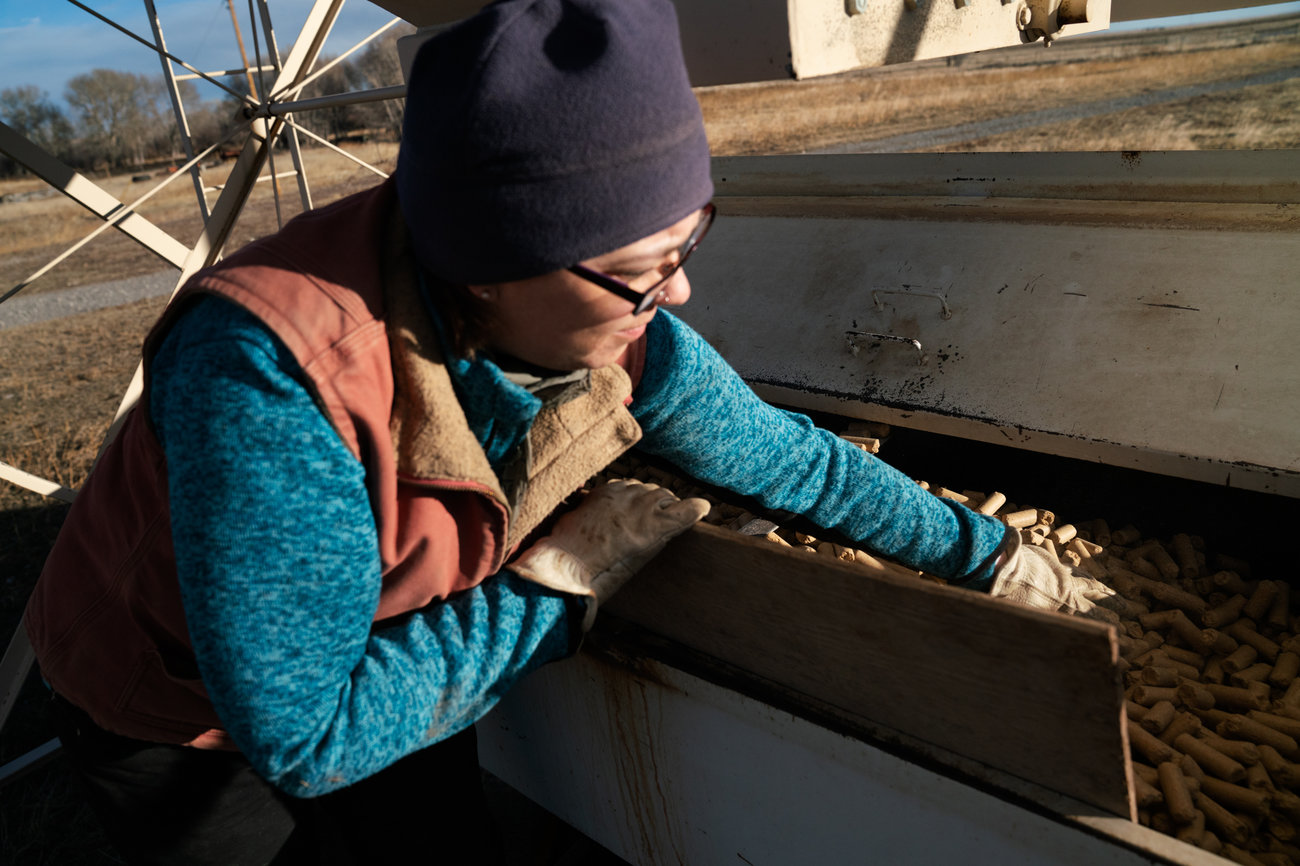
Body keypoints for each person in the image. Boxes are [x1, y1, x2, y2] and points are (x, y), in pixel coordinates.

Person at [23, 1, 1113, 863]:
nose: (679, 294)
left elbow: (791, 461)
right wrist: (555, 587)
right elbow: (307, 735)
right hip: (183, 714)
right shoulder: (272, 380)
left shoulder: (620, 333)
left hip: (400, 631)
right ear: (488, 271)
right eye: (641, 271)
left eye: (692, 239)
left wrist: (991, 554)